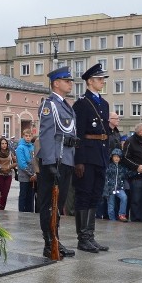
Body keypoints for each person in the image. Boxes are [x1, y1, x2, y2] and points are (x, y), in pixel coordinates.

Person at [37, 66, 78, 259]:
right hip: (55, 162)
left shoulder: (65, 105)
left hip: (66, 160)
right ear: (56, 83)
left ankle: (56, 239)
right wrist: (50, 162)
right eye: (67, 80)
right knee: (49, 205)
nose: (70, 83)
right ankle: (49, 243)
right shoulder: (50, 104)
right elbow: (46, 135)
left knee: (58, 205)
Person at [72, 63, 112, 253]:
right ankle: (83, 238)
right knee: (84, 194)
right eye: (99, 79)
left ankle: (90, 235)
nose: (102, 82)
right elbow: (78, 133)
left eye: (103, 79)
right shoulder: (81, 103)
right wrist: (78, 160)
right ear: (89, 81)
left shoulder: (103, 104)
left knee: (95, 195)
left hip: (100, 154)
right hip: (87, 154)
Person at [103, 148, 129, 221]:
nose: (116, 158)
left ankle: (122, 214)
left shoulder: (122, 167)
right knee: (111, 206)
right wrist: (106, 189)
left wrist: (137, 171)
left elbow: (128, 174)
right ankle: (112, 219)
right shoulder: (109, 166)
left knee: (124, 197)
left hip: (119, 188)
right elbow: (105, 178)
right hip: (110, 189)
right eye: (115, 156)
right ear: (112, 157)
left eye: (118, 157)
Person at [16, 129, 36, 212]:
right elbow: (22, 163)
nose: (28, 138)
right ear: (23, 136)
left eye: (29, 136)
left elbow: (35, 160)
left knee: (30, 195)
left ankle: (30, 211)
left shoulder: (32, 146)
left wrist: (35, 173)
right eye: (26, 136)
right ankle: (21, 211)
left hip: (32, 175)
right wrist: (31, 174)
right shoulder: (20, 147)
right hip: (24, 175)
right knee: (23, 194)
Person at [0, 137, 16, 210]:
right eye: (2, 144)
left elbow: (16, 162)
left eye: (5, 143)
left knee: (5, 193)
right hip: (0, 175)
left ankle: (2, 208)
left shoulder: (10, 152)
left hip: (8, 174)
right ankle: (1, 208)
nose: (4, 145)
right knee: (0, 193)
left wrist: (10, 166)